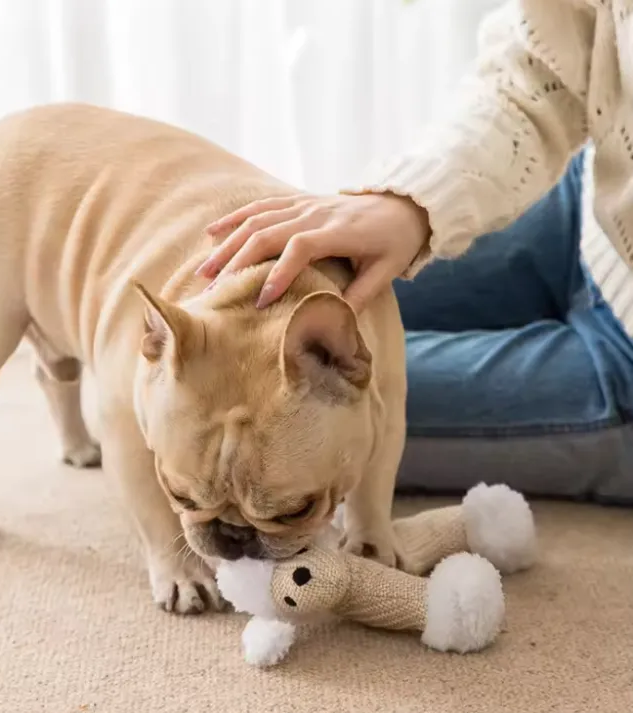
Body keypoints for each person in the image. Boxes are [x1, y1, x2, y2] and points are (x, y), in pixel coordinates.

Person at [196, 1, 633, 504]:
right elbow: (537, 71)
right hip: (585, 210)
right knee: (245, 343)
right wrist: (409, 206)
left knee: (283, 434)